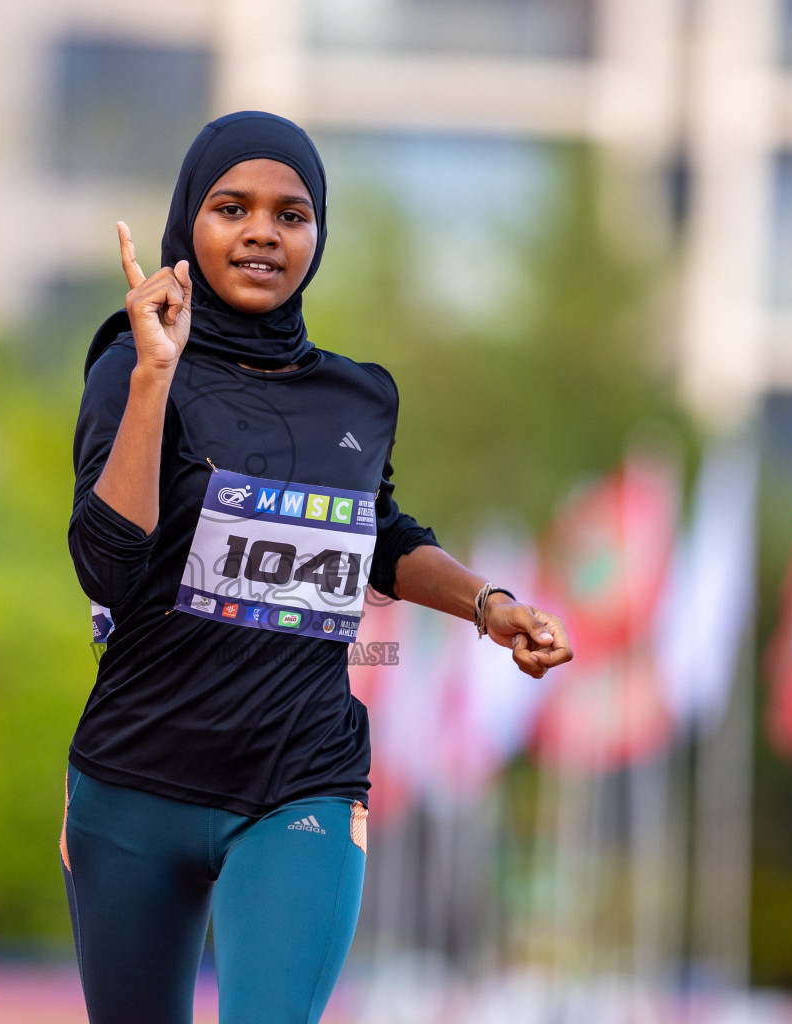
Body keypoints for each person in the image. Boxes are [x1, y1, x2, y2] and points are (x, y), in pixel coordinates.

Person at [64, 110, 572, 1024]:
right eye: (231, 207)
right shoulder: (130, 368)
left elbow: (375, 531)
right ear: (189, 222)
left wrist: (488, 606)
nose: (262, 230)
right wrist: (152, 377)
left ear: (317, 235)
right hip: (135, 784)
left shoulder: (358, 394)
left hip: (301, 780)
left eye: (291, 214)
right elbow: (105, 567)